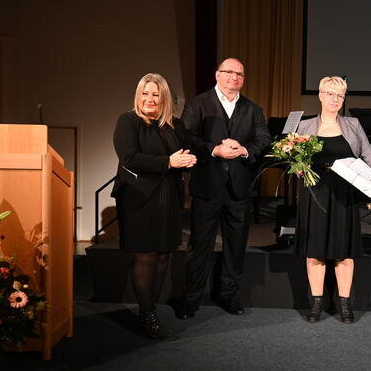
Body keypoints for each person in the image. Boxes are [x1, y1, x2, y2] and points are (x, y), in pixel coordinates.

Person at [177, 58, 271, 318]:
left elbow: (263, 139)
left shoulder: (253, 109)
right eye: (228, 72)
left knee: (235, 247)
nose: (234, 77)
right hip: (207, 186)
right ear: (217, 74)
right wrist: (214, 149)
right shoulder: (198, 103)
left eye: (239, 73)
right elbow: (187, 136)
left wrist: (244, 150)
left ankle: (228, 295)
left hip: (240, 190)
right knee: (200, 245)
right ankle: (191, 299)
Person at [112, 73, 202, 339]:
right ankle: (147, 314)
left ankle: (149, 309)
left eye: (155, 94)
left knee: (164, 254)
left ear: (164, 99)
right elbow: (129, 157)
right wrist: (168, 163)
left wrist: (188, 159)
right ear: (138, 96)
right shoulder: (128, 121)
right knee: (146, 255)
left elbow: (184, 151)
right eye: (145, 93)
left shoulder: (174, 125)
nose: (149, 99)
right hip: (140, 198)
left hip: (169, 198)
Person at [295, 76, 371, 323]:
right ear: (320, 95)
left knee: (344, 252)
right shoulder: (304, 126)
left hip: (344, 195)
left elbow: (368, 153)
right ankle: (315, 304)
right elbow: (294, 160)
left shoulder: (352, 124)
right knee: (315, 252)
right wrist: (296, 165)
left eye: (340, 95)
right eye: (330, 94)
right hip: (314, 194)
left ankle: (345, 305)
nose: (335, 99)